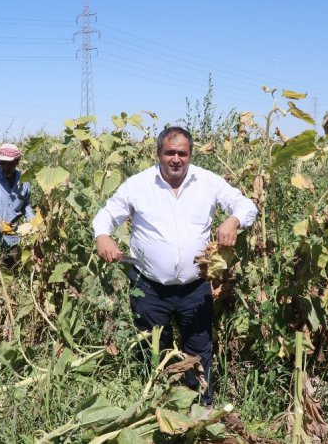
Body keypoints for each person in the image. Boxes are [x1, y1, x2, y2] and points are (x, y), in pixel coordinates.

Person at [92, 126, 257, 405]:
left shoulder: (208, 182)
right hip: (149, 287)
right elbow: (106, 215)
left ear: (190, 155)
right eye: (170, 152)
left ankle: (200, 410)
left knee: (199, 350)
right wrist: (103, 236)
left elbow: (246, 205)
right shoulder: (139, 185)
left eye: (182, 153)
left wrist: (233, 221)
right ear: (159, 154)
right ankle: (155, 409)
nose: (176, 159)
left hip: (195, 287)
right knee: (153, 350)